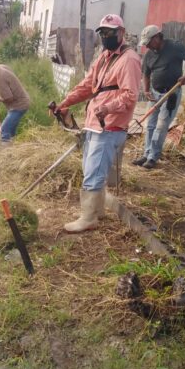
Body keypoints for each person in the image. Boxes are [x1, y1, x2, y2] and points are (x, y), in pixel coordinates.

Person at [55, 14, 141, 233]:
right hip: (94, 123)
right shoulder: (104, 57)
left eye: (110, 32)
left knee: (93, 171)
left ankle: (88, 218)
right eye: (103, 33)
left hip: (110, 126)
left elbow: (130, 95)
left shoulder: (129, 59)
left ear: (121, 33)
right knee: (91, 169)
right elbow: (87, 86)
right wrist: (64, 104)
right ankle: (98, 210)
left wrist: (108, 107)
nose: (106, 36)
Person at [132, 25, 185, 169]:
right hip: (155, 93)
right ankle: (146, 154)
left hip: (171, 93)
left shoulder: (174, 47)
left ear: (157, 37)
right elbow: (146, 73)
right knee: (151, 125)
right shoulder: (150, 54)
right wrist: (146, 90)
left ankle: (153, 157)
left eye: (149, 42)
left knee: (161, 125)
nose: (148, 46)